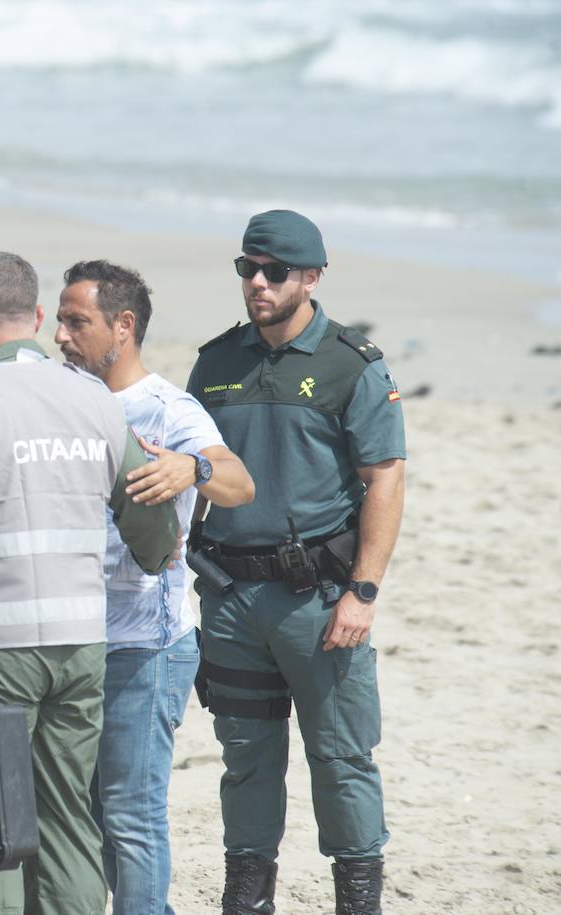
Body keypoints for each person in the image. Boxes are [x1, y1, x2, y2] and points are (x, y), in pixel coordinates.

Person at [0, 252, 181, 915]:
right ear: (35, 318)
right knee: (66, 822)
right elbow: (150, 521)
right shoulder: (95, 400)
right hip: (82, 647)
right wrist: (160, 545)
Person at [186, 210, 405, 915]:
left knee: (340, 759)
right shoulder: (215, 363)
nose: (257, 282)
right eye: (247, 267)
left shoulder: (350, 364)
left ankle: (358, 901)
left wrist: (363, 591)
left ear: (311, 277)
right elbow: (188, 472)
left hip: (320, 604)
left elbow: (386, 477)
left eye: (275, 271)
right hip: (231, 601)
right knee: (247, 760)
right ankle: (247, 899)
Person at [54, 259, 255, 915]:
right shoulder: (60, 397)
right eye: (59, 318)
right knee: (80, 813)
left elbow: (237, 481)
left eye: (76, 321)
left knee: (131, 814)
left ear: (125, 324)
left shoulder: (168, 408)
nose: (60, 333)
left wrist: (189, 467)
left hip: (145, 645)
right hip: (67, 643)